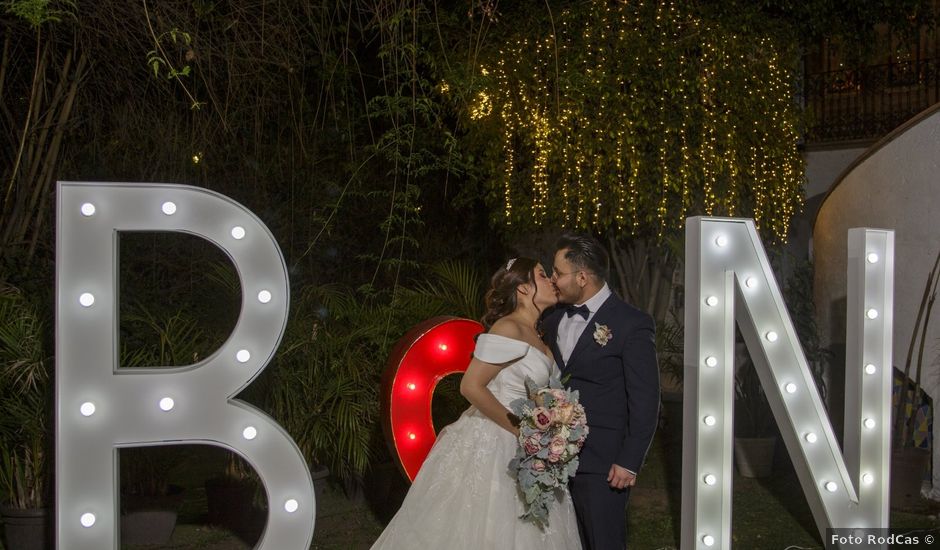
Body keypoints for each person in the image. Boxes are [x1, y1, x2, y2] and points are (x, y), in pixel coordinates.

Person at [371, 257, 582, 550]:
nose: (551, 280)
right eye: (543, 275)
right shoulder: (508, 328)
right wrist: (521, 428)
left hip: (531, 446)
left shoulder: (538, 334)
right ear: (523, 288)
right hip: (497, 440)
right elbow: (470, 386)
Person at [541, 233, 660, 550]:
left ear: (582, 277)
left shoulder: (632, 324)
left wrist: (629, 460)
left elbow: (646, 400)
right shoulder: (551, 321)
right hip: (551, 458)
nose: (553, 279)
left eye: (558, 272)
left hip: (604, 463)